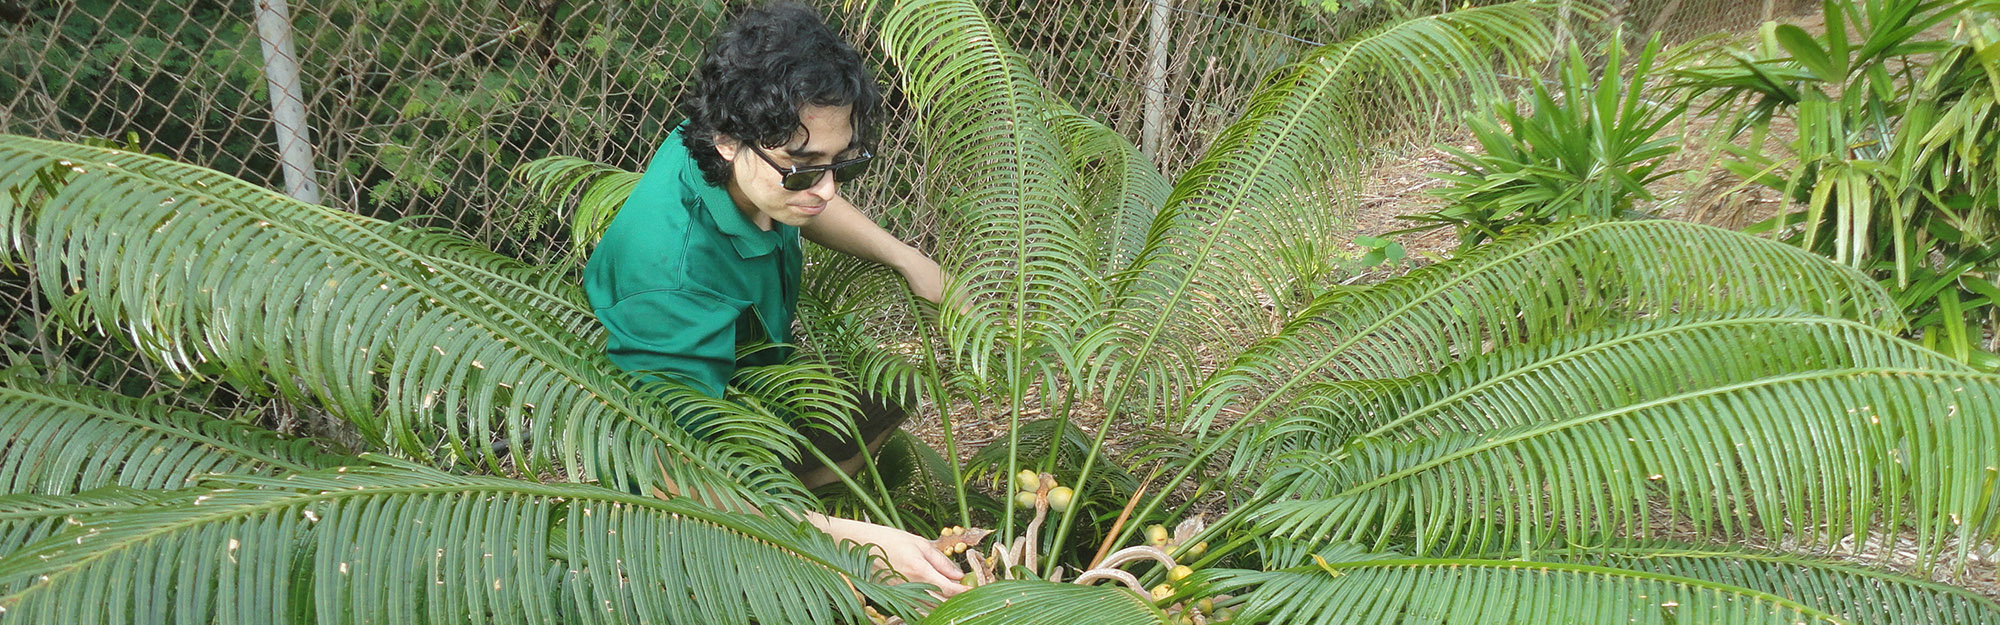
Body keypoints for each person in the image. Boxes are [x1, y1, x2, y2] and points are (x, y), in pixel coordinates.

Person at [582, 1, 968, 598]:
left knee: (891, 389)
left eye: (842, 163)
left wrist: (911, 261)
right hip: (682, 457)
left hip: (748, 390)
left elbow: (811, 196)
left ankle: (800, 513)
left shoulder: (732, 158)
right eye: (803, 167)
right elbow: (664, 474)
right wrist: (857, 544)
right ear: (729, 141)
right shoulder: (670, 276)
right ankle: (762, 557)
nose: (827, 189)